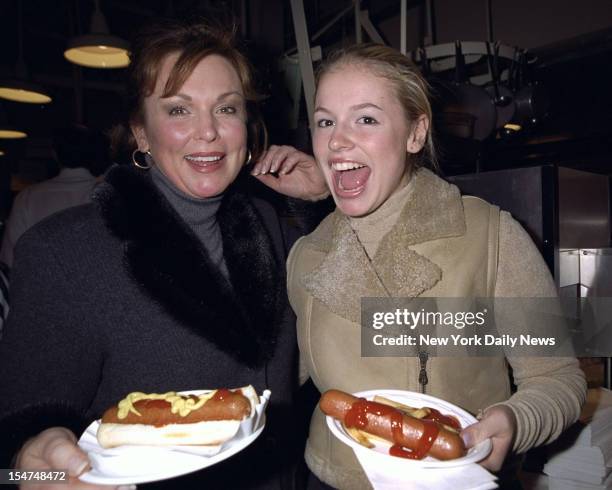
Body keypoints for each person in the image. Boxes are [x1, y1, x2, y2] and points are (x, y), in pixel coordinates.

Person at [0, 19, 326, 490]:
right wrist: (32, 462)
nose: (208, 132)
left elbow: (369, 320)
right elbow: (14, 462)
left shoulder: (270, 224)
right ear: (141, 133)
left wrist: (323, 202)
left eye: (226, 108)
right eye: (178, 110)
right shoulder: (62, 254)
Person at [286, 43, 586, 489]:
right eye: (325, 121)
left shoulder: (490, 235)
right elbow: (277, 378)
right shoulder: (305, 255)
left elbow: (557, 378)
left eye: (366, 119)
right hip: (330, 478)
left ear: (415, 133)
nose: (336, 140)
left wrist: (516, 419)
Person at [0, 125, 109, 268]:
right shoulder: (108, 195)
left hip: (39, 285)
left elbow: (9, 261)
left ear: (55, 154)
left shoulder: (28, 198)